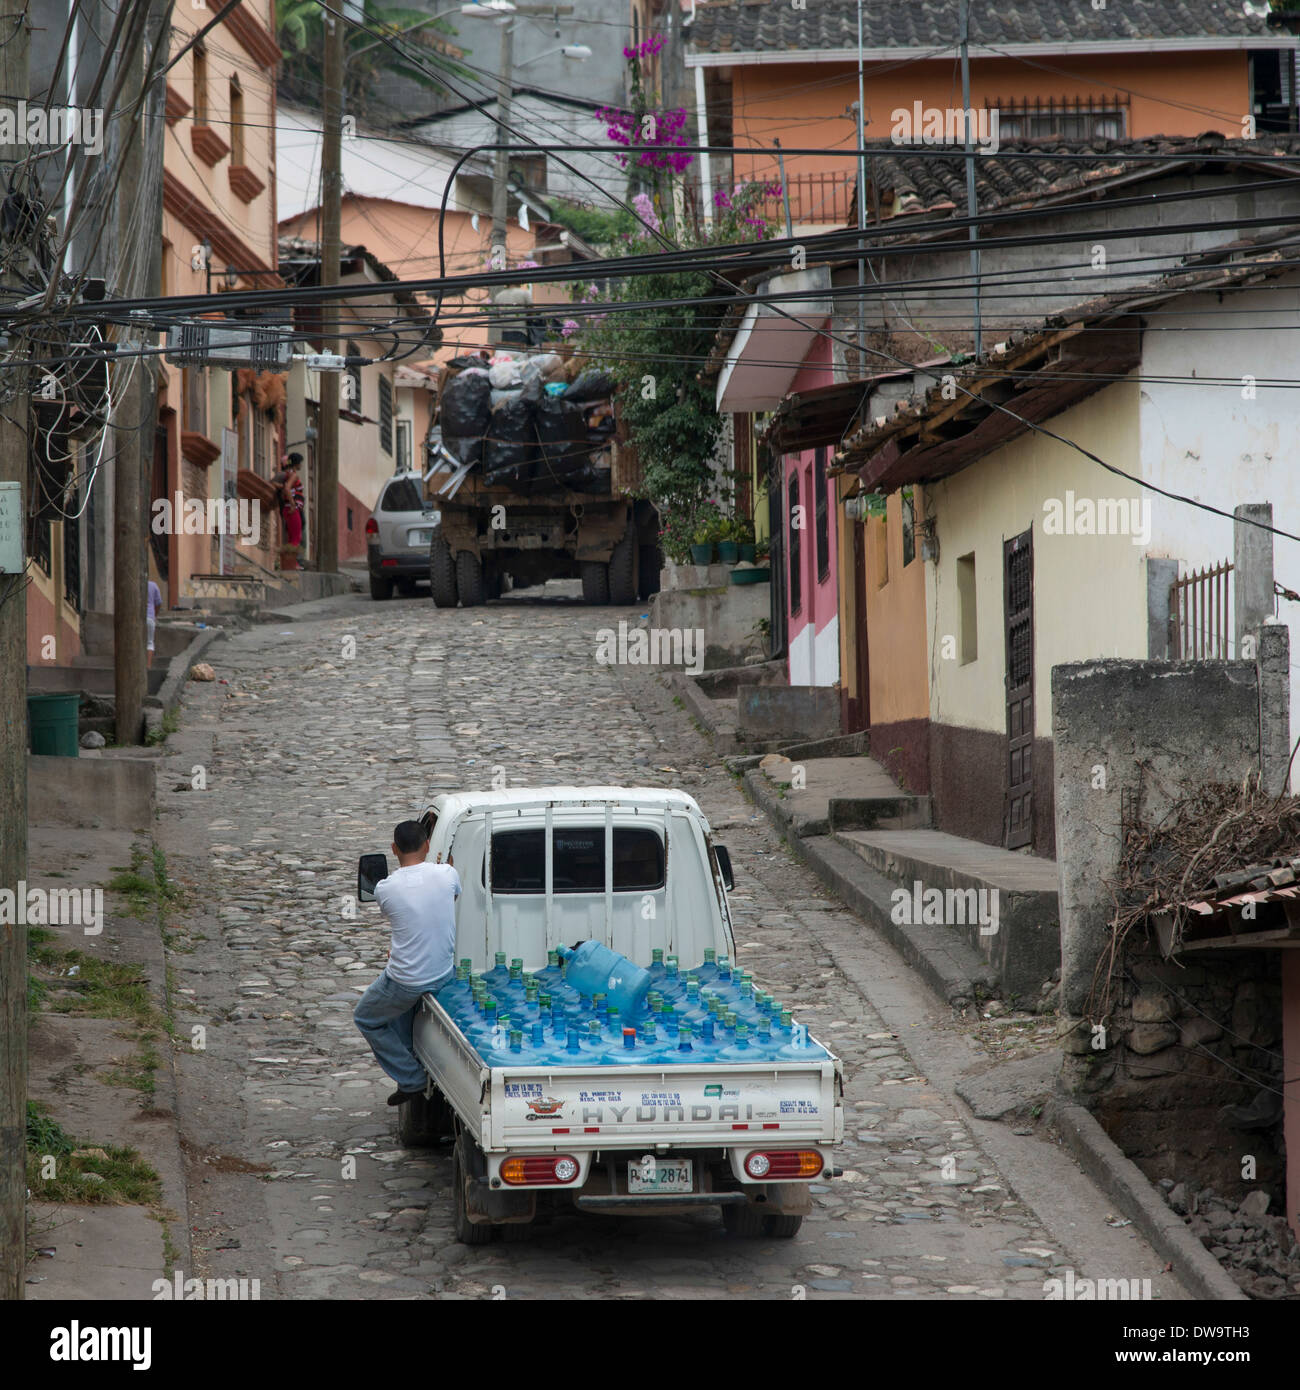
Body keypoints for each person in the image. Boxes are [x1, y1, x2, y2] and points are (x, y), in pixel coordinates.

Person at [353, 820, 461, 1106]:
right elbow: (448, 900)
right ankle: (417, 1064)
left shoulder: (385, 889)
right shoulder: (448, 874)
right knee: (400, 1010)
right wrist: (443, 866)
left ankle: (411, 1077)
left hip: (406, 981)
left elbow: (406, 919)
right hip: (443, 973)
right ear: (427, 845)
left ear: (393, 849)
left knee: (366, 1018)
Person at [277, 452, 305, 570]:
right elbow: (287, 488)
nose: (301, 465)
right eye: (300, 463)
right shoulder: (294, 475)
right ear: (297, 463)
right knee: (296, 537)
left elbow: (283, 488)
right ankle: (293, 563)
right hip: (292, 509)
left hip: (287, 508)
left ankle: (290, 562)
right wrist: (293, 505)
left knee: (291, 536)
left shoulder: (287, 474)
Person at [146, 578, 162, 668]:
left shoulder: (135, 583)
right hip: (150, 617)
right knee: (149, 642)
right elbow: (159, 603)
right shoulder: (153, 585)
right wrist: (154, 615)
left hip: (135, 618)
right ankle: (148, 666)